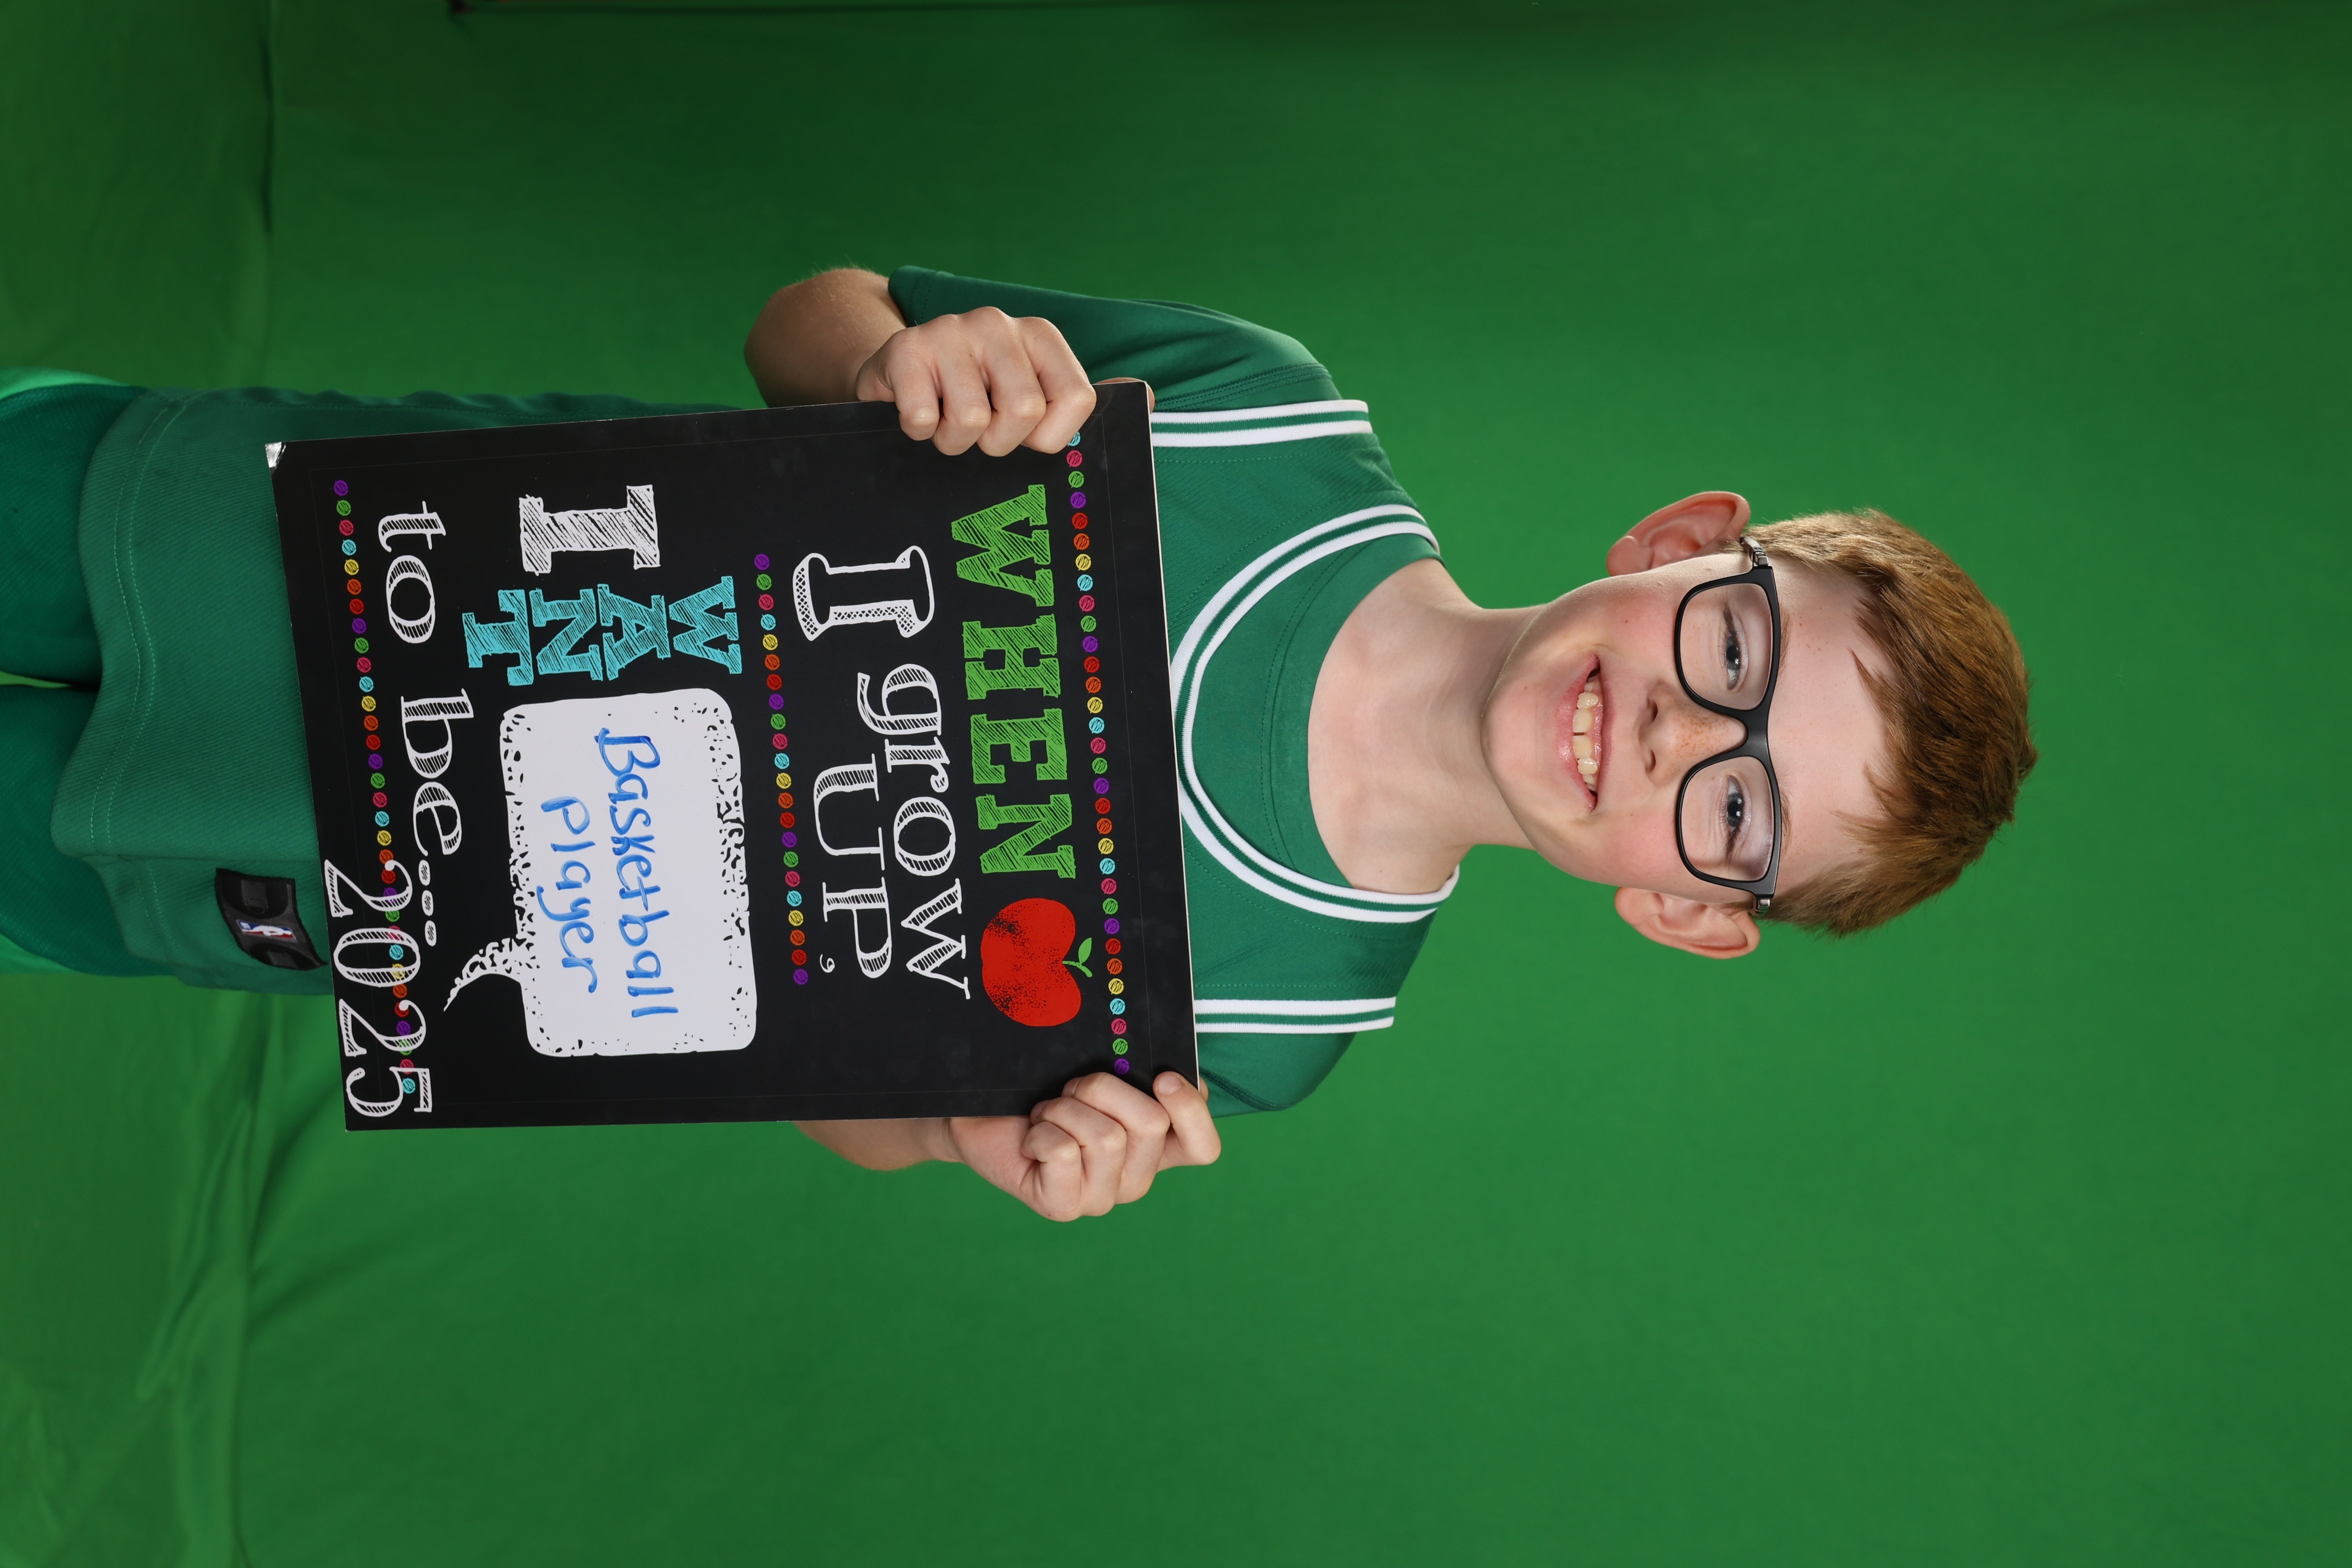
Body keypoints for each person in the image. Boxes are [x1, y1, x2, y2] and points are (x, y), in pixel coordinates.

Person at [0, 268, 2035, 1221]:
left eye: (1737, 803)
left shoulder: (1272, 1024)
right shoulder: (1264, 411)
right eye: (1734, 644)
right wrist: (905, 356)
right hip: (238, 538)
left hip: (307, 883)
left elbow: (823, 1090)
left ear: (1690, 906)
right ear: (1680, 546)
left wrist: (966, 1133)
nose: (1675, 726)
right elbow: (805, 317)